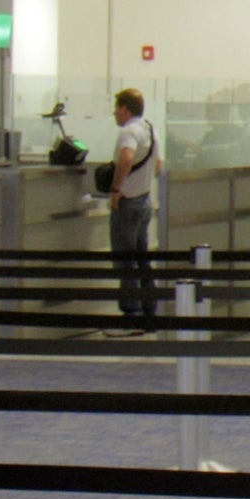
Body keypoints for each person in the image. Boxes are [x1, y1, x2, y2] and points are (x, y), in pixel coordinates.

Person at [106, 87, 160, 328]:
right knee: (142, 257)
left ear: (126, 109)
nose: (115, 112)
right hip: (145, 200)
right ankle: (149, 308)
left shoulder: (129, 132)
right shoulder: (151, 129)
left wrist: (116, 189)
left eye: (117, 107)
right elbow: (158, 165)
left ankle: (131, 313)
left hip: (128, 202)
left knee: (125, 258)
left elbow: (126, 159)